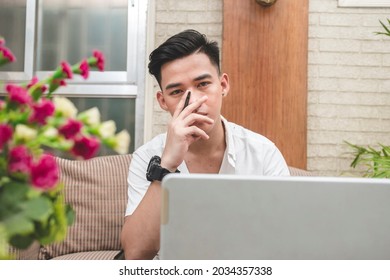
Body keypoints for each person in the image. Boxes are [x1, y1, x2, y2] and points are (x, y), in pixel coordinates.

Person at [120, 29, 290, 260]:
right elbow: (135, 254)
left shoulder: (262, 153)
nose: (194, 101)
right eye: (177, 91)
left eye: (203, 85)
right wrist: (167, 165)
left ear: (223, 85)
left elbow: (284, 243)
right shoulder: (147, 156)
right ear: (162, 101)